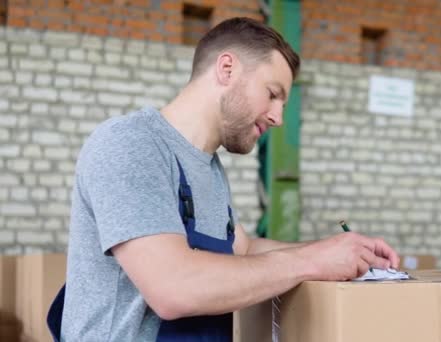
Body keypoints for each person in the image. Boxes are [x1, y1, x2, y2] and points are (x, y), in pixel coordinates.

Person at [48, 17, 400, 341]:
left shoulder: (210, 170)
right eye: (273, 94)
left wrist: (343, 250)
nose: (278, 117)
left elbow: (242, 248)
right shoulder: (131, 144)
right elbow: (173, 287)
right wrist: (313, 261)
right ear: (227, 69)